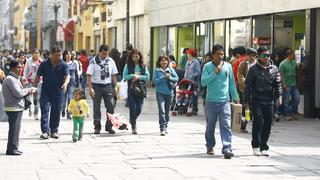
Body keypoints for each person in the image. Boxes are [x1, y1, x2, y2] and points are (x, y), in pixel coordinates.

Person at [201, 44, 238, 159]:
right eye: (217, 54)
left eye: (222, 54)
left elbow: (231, 83)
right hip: (211, 102)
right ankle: (210, 145)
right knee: (210, 126)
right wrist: (214, 72)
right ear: (213, 55)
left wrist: (235, 96)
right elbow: (203, 82)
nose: (220, 56)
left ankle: (227, 148)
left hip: (224, 101)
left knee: (226, 125)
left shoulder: (228, 66)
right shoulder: (207, 66)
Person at [244, 46, 282, 156]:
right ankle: (256, 145)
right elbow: (248, 86)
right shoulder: (253, 69)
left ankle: (264, 146)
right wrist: (246, 100)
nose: (266, 58)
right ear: (259, 56)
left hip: (269, 100)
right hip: (257, 100)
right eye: (264, 55)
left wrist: (279, 96)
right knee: (258, 122)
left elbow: (277, 84)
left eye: (268, 55)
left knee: (268, 123)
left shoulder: (274, 68)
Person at [34, 46, 70, 139]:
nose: (58, 57)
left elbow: (67, 76)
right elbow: (38, 76)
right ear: (51, 55)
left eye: (60, 55)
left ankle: (54, 131)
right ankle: (45, 131)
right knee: (45, 110)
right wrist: (34, 88)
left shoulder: (63, 64)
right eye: (56, 55)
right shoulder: (44, 64)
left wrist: (65, 84)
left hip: (58, 92)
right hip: (46, 91)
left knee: (56, 111)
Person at [2, 59, 32, 155]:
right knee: (14, 129)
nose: (20, 69)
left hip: (16, 106)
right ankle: (11, 149)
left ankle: (14, 147)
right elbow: (18, 93)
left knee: (16, 128)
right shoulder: (10, 79)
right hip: (13, 107)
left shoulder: (14, 78)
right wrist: (28, 90)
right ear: (12, 68)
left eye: (21, 67)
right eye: (18, 67)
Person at [86, 44, 118, 135]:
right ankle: (97, 127)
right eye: (103, 54)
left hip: (107, 86)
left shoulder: (110, 61)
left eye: (106, 54)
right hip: (96, 86)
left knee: (111, 106)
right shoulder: (93, 61)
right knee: (96, 107)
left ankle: (109, 126)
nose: (104, 56)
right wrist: (90, 88)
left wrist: (115, 86)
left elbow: (114, 74)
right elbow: (89, 75)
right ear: (99, 52)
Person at [123, 48, 150, 134]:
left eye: (137, 57)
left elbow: (147, 77)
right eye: (133, 57)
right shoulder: (128, 65)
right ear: (131, 57)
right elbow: (125, 77)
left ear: (139, 57)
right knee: (132, 108)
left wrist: (139, 77)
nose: (135, 58)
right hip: (131, 89)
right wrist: (132, 75)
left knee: (139, 108)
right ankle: (134, 126)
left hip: (141, 89)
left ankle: (132, 119)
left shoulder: (143, 66)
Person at [152, 55, 179, 136]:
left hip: (169, 93)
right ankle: (162, 128)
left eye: (166, 60)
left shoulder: (170, 69)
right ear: (159, 62)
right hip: (160, 93)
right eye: (162, 60)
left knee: (166, 112)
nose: (164, 62)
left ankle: (166, 125)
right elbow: (154, 81)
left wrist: (169, 77)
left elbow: (176, 78)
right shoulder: (156, 70)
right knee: (162, 110)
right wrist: (163, 77)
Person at [237, 48, 257, 133]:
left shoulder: (258, 64)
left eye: (254, 56)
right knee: (246, 109)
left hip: (257, 91)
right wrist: (246, 84)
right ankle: (243, 125)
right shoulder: (243, 64)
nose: (252, 57)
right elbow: (240, 75)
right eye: (250, 55)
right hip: (245, 91)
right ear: (247, 56)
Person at [279, 49, 300, 121]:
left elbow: (296, 71)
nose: (294, 55)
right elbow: (281, 75)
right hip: (286, 85)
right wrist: (283, 84)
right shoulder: (282, 64)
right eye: (293, 54)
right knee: (286, 100)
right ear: (289, 55)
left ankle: (291, 112)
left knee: (297, 99)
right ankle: (287, 115)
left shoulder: (294, 63)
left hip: (294, 84)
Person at [22, 49, 43, 120]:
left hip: (39, 82)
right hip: (30, 81)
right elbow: (25, 71)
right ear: (32, 54)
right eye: (35, 53)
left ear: (40, 54)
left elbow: (44, 72)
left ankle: (36, 113)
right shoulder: (29, 61)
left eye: (38, 53)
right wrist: (24, 79)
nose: (36, 54)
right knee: (29, 96)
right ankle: (30, 108)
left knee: (37, 98)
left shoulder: (41, 62)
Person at [61, 50, 79, 119]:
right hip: (63, 83)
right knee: (63, 99)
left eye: (69, 54)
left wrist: (77, 84)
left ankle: (68, 113)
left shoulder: (73, 64)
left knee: (70, 99)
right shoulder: (62, 64)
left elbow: (76, 74)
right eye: (67, 54)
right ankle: (63, 110)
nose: (69, 55)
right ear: (64, 56)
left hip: (72, 83)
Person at [184, 48, 201, 115]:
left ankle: (195, 109)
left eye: (188, 53)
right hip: (187, 81)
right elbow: (186, 70)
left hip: (194, 82)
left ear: (190, 54)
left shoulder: (196, 62)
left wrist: (192, 76)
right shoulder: (188, 61)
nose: (188, 54)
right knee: (186, 95)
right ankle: (184, 107)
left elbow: (198, 72)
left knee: (194, 96)